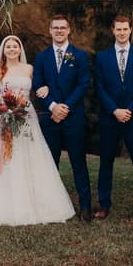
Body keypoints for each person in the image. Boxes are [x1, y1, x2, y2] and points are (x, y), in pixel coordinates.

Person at [0, 35, 75, 225]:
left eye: (15, 46)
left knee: (29, 156)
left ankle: (36, 203)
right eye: (8, 46)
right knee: (7, 158)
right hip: (4, 118)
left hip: (26, 117)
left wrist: (46, 90)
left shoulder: (29, 69)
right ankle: (3, 203)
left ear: (20, 49)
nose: (12, 49)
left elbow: (41, 86)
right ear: (3, 50)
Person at [32, 14, 92, 222]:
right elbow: (37, 84)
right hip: (49, 117)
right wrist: (52, 106)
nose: (59, 31)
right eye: (55, 27)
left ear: (68, 30)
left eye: (62, 28)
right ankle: (49, 207)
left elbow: (83, 84)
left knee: (78, 162)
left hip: (73, 117)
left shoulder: (80, 56)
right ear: (50, 30)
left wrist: (65, 107)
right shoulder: (42, 57)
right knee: (50, 163)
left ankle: (85, 207)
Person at [93, 15, 133, 221]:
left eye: (125, 29)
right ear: (113, 30)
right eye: (118, 29)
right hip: (110, 118)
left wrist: (130, 110)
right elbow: (99, 87)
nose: (121, 32)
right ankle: (104, 204)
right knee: (106, 162)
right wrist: (115, 110)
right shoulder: (102, 57)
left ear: (130, 30)